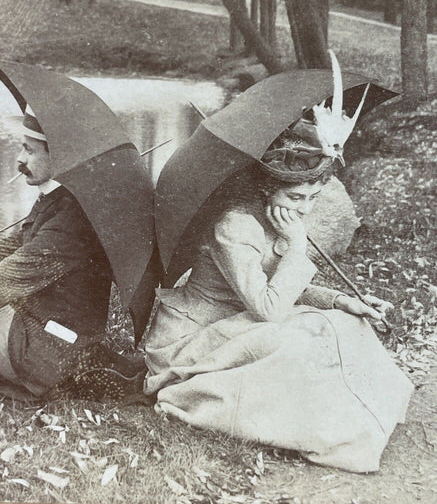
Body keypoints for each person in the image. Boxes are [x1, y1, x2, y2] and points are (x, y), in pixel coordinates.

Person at [144, 121, 413, 472]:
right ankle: (334, 429)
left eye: (312, 198)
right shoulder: (234, 226)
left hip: (238, 321)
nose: (303, 210)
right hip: (194, 339)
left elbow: (275, 287)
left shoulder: (275, 217)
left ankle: (361, 412)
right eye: (295, 198)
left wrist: (342, 301)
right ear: (266, 190)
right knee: (297, 342)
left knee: (347, 323)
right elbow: (270, 308)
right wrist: (297, 246)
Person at [0, 105, 144, 401]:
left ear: (59, 156)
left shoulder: (70, 222)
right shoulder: (60, 200)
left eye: (29, 150)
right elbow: (7, 248)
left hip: (47, 356)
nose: (20, 159)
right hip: (48, 337)